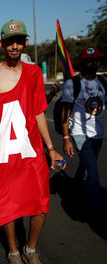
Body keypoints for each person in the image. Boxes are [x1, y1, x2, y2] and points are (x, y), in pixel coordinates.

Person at [0, 20, 65, 264]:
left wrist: (51, 149)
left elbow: (39, 111)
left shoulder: (34, 73)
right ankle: (13, 251)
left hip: (31, 150)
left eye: (19, 41)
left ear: (25, 43)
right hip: (4, 152)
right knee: (8, 204)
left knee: (40, 204)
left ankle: (30, 248)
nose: (14, 45)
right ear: (1, 43)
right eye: (9, 41)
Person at [61, 46, 106, 220]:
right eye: (89, 61)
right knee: (93, 173)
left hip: (98, 134)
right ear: (83, 64)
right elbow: (66, 113)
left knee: (85, 168)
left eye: (96, 60)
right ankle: (98, 213)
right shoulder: (73, 84)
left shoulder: (102, 83)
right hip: (80, 134)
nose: (94, 63)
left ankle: (76, 195)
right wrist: (66, 138)